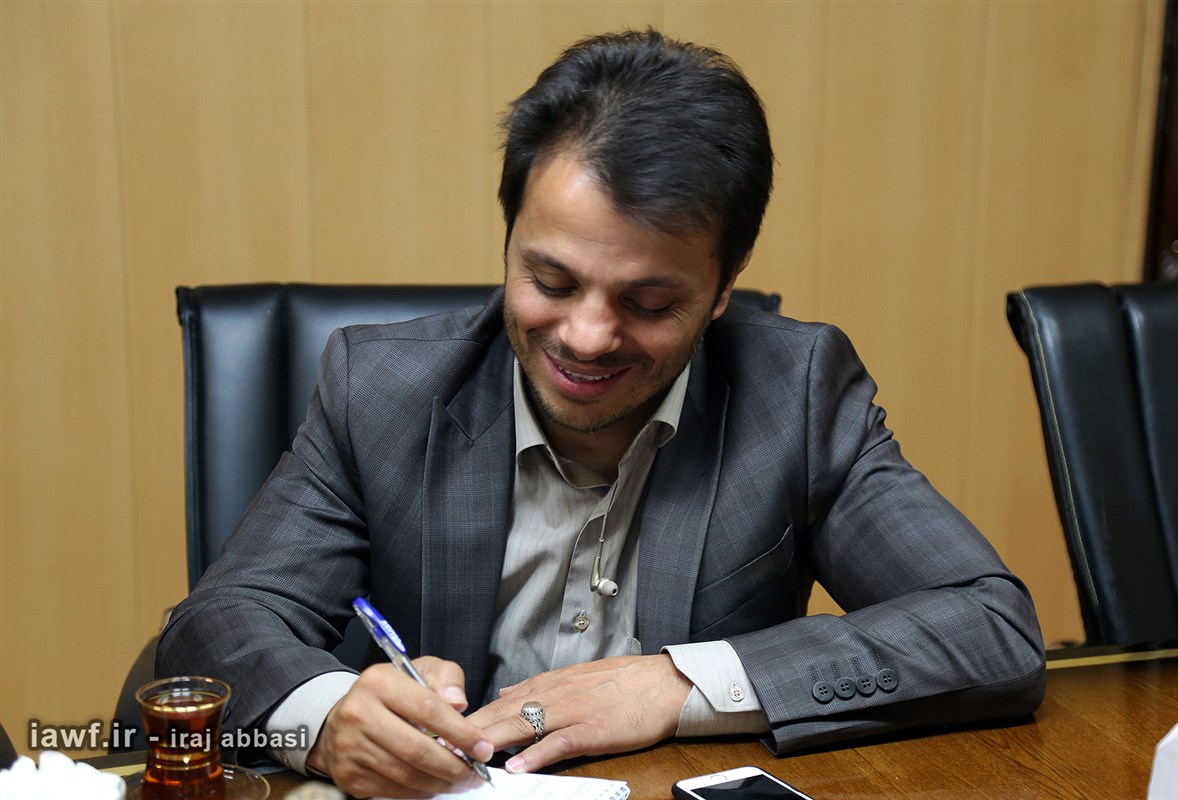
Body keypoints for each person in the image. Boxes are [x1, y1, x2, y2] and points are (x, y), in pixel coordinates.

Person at [159, 29, 1046, 799]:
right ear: (508, 236)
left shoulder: (796, 394)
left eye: (649, 303)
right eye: (551, 281)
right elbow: (215, 627)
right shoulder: (382, 391)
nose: (586, 337)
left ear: (724, 285)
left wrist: (679, 685)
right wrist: (326, 718)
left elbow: (990, 629)